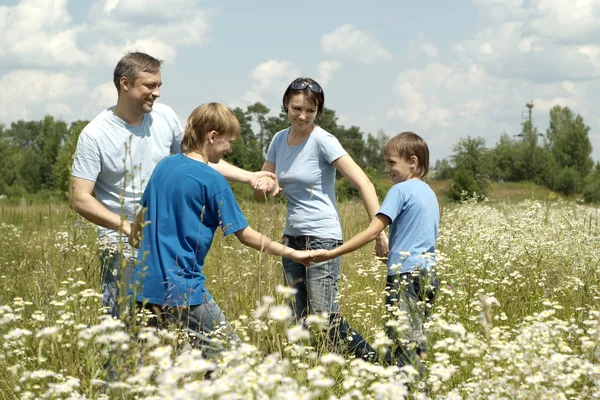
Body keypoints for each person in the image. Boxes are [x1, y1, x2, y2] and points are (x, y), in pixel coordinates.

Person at [70, 52, 276, 319]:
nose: (156, 93)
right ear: (125, 83)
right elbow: (80, 198)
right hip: (122, 246)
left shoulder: (164, 117)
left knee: (170, 329)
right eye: (149, 86)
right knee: (122, 332)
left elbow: (198, 160)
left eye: (159, 86)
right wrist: (125, 226)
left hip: (169, 244)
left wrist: (249, 177)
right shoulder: (95, 134)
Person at [127, 102, 314, 356]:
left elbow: (141, 219)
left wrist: (138, 240)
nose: (230, 149)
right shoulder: (212, 179)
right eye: (230, 142)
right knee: (231, 357)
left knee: (146, 366)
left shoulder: (164, 166)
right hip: (184, 290)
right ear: (212, 137)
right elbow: (246, 235)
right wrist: (294, 254)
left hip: (143, 287)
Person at [255, 77, 388, 361]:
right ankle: (303, 371)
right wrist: (267, 187)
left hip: (322, 238)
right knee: (297, 317)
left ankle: (379, 363)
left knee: (325, 316)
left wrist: (379, 233)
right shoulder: (278, 140)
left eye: (310, 111)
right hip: (291, 239)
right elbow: (261, 188)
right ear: (285, 106)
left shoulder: (323, 140)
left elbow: (365, 184)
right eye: (296, 109)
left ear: (318, 111)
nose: (302, 116)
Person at [311, 131, 439, 372]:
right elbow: (419, 239)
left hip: (404, 278)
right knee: (418, 343)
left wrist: (332, 253)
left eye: (392, 162)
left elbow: (373, 231)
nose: (387, 169)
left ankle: (402, 389)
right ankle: (417, 388)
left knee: (402, 343)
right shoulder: (429, 193)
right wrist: (391, 257)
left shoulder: (400, 191)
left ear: (412, 161)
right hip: (428, 275)